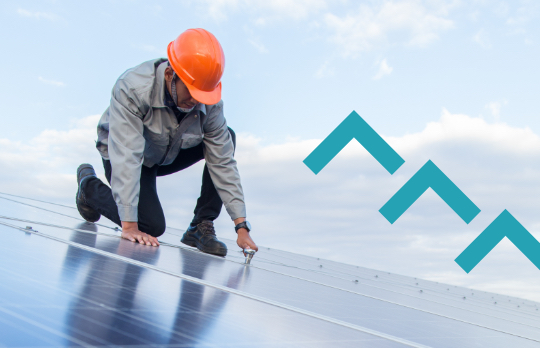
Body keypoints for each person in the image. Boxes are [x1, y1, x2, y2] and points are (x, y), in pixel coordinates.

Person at [75, 28, 257, 257]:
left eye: (202, 95)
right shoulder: (133, 88)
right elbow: (127, 154)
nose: (195, 101)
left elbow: (223, 162)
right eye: (191, 92)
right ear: (171, 74)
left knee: (227, 137)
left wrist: (241, 225)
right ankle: (89, 188)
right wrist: (129, 225)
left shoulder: (209, 103)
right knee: (150, 227)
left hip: (165, 153)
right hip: (123, 154)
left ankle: (200, 226)